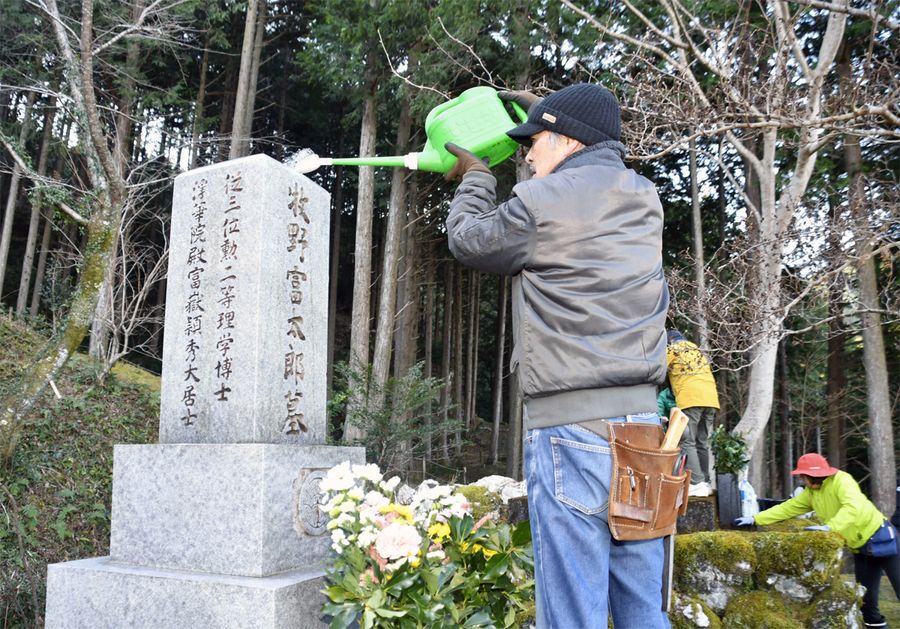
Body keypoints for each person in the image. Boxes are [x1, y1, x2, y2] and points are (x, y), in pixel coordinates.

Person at [444, 83, 670, 628]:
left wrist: (476, 179)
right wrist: (547, 114)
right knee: (643, 610)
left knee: (572, 614)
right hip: (645, 433)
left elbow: (470, 240)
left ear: (566, 141)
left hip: (571, 431)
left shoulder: (541, 203)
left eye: (534, 140)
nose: (527, 153)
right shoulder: (644, 198)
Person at [735, 453, 900, 628]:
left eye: (802, 476)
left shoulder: (842, 481)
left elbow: (852, 507)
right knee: (867, 605)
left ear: (808, 476)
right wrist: (756, 518)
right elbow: (789, 507)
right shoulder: (811, 492)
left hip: (884, 540)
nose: (802, 479)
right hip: (862, 549)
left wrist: (830, 526)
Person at [665, 329, 719, 497]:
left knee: (686, 440)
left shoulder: (672, 349)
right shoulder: (696, 351)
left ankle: (696, 483)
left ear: (669, 341)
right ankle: (706, 482)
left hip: (691, 398)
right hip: (711, 399)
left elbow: (658, 371)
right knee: (701, 442)